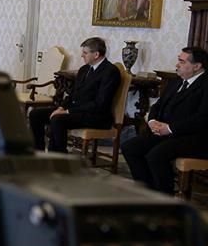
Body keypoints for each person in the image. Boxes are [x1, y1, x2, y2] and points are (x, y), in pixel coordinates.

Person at [122, 47, 208, 194]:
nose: (177, 65)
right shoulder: (176, 81)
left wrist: (170, 128)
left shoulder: (205, 84)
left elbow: (202, 118)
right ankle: (147, 192)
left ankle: (164, 198)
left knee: (156, 155)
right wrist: (152, 121)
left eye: (181, 61)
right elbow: (157, 105)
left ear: (197, 66)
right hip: (168, 133)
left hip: (195, 137)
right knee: (130, 147)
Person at [28, 37, 120, 153]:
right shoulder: (84, 69)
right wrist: (62, 107)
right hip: (77, 110)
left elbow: (100, 103)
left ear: (96, 54)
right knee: (35, 114)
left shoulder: (110, 71)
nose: (82, 55)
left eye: (85, 53)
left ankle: (60, 158)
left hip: (96, 115)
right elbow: (72, 94)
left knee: (57, 119)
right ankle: (38, 152)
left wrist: (67, 111)